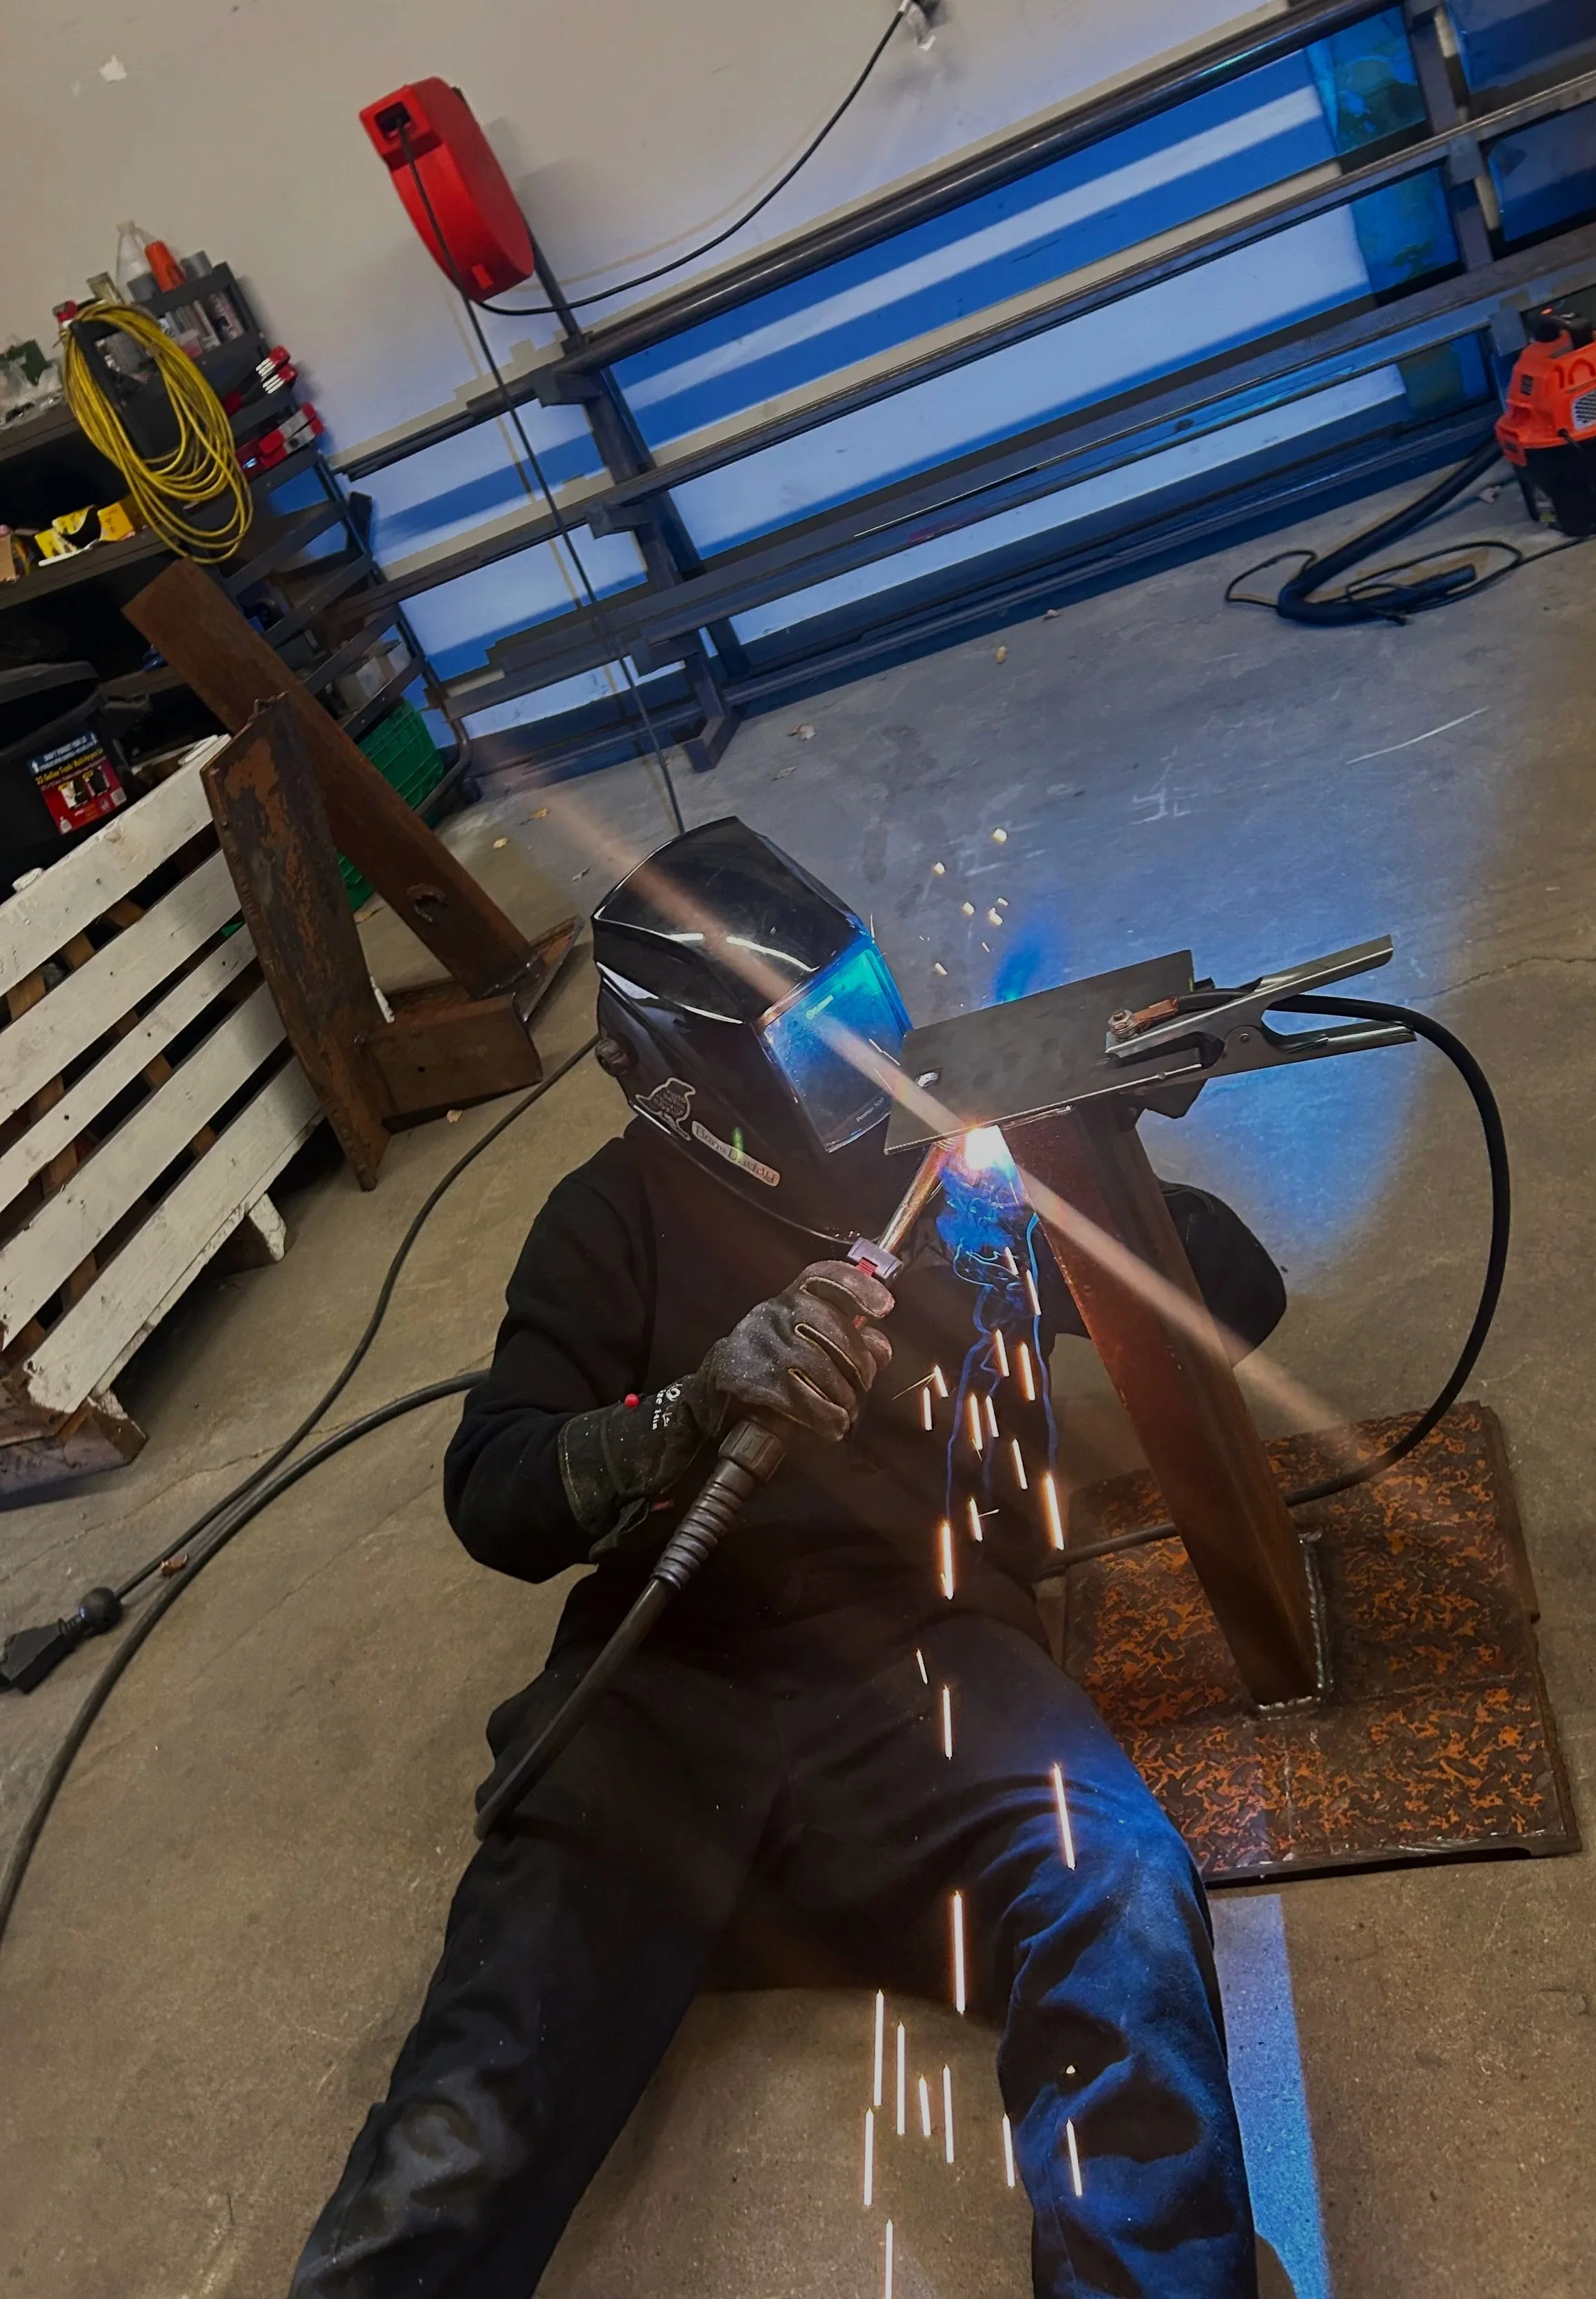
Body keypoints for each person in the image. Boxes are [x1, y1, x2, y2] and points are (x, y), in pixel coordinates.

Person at [288, 818, 1286, 2299]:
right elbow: (493, 1491)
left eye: (858, 1018)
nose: (860, 1070)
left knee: (1122, 1892)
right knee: (460, 2127)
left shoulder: (947, 1162)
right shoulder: (608, 1218)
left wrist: (1092, 1163)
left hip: (935, 1673)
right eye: (811, 1047)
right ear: (683, 1077)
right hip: (664, 1698)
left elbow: (1239, 1300)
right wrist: (687, 1410)